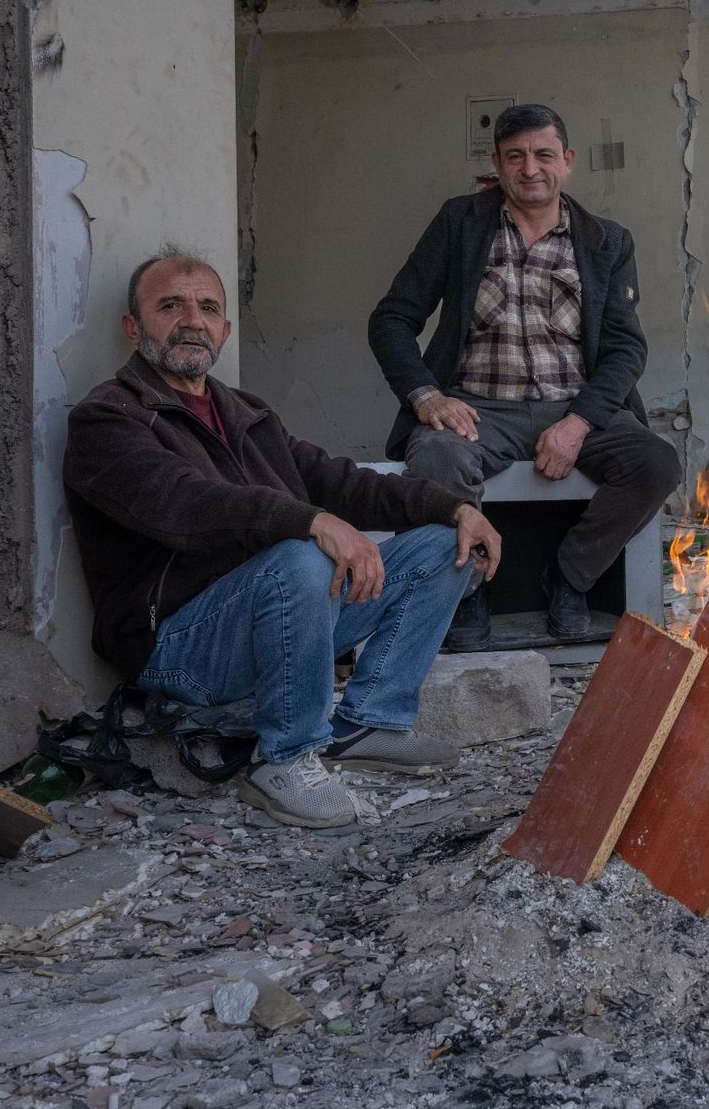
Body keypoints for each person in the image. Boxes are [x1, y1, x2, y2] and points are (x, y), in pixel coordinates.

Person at [65, 248, 502, 828]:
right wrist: (313, 523)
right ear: (133, 326)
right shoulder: (107, 418)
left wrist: (455, 509)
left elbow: (336, 480)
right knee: (298, 556)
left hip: (279, 619)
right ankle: (286, 759)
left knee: (440, 547)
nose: (191, 320)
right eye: (170, 306)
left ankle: (370, 720)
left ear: (224, 329)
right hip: (179, 649)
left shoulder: (246, 412)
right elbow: (184, 503)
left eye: (207, 308)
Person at [369, 103, 681, 648]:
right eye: (515, 156)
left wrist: (579, 422)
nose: (530, 168)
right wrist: (426, 398)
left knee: (655, 463)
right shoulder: (460, 223)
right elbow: (391, 318)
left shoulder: (607, 240)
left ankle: (568, 578)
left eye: (543, 154)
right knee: (438, 456)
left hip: (575, 406)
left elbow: (627, 347)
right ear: (498, 163)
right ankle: (462, 592)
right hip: (479, 407)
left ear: (568, 160)